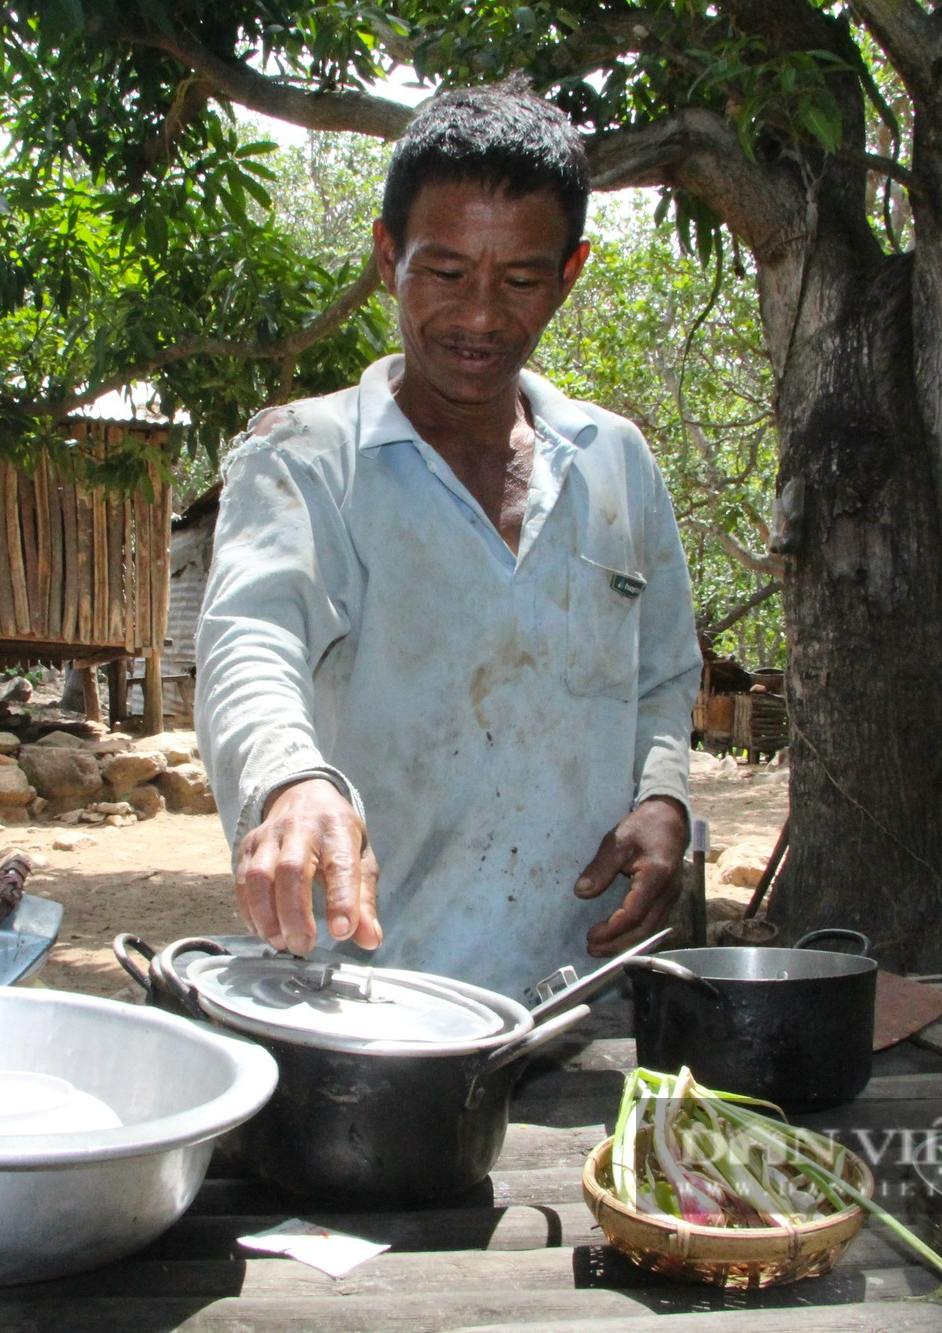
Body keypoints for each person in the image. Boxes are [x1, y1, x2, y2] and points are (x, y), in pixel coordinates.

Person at [195, 83, 702, 999]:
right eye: (444, 270)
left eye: (519, 279)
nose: (478, 315)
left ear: (571, 271)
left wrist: (663, 795)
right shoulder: (301, 459)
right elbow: (251, 640)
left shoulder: (617, 461)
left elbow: (663, 673)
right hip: (365, 1000)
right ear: (388, 258)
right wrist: (290, 783)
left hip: (579, 993)